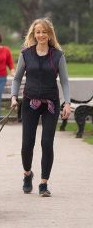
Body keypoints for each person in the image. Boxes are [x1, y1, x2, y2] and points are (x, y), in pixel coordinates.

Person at [11, 18, 71, 197]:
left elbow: (65, 81)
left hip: (51, 104)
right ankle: (27, 174)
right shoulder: (26, 54)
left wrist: (67, 103)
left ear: (50, 34)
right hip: (30, 103)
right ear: (34, 34)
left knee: (46, 142)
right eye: (38, 32)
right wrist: (14, 97)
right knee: (27, 144)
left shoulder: (58, 56)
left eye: (44, 32)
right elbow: (17, 78)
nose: (41, 35)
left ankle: (44, 184)